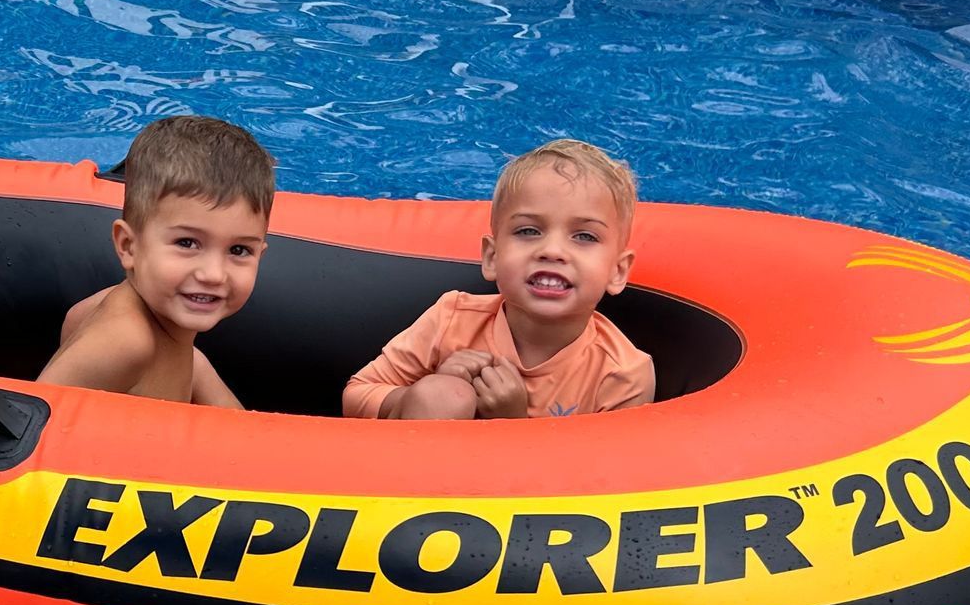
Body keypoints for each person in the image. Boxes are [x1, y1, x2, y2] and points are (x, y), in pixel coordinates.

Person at [344, 139, 653, 420]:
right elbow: (357, 393)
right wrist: (421, 396)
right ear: (492, 257)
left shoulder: (622, 375)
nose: (552, 250)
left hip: (532, 480)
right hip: (419, 472)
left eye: (584, 236)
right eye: (528, 231)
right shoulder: (452, 319)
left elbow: (605, 477)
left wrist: (512, 423)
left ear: (618, 271)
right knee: (444, 395)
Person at [39, 115, 274, 405]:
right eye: (187, 243)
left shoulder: (171, 338)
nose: (214, 274)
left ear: (260, 255)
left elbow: (74, 319)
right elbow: (33, 427)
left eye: (239, 250)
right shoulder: (127, 342)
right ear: (128, 246)